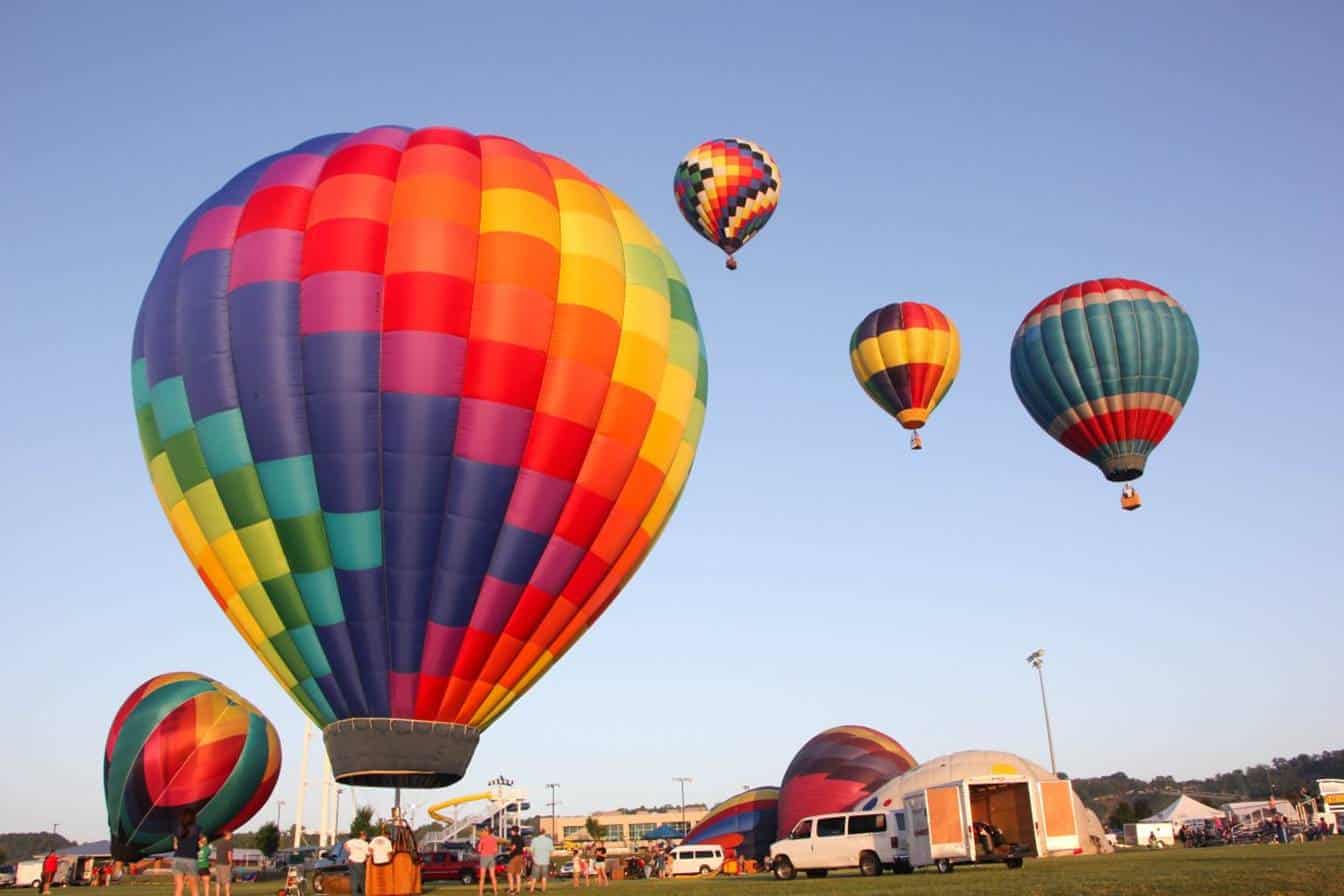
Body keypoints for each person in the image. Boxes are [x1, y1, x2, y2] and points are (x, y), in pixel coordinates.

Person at [172, 809, 202, 896]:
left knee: (179, 887)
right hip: (191, 859)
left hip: (177, 858)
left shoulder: (177, 828)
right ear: (193, 818)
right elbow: (202, 843)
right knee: (194, 888)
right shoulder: (197, 828)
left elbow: (175, 846)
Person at [343, 830, 370, 896]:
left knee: (354, 879)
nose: (366, 837)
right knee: (362, 879)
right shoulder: (365, 844)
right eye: (366, 836)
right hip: (359, 863)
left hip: (351, 862)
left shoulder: (353, 841)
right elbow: (368, 854)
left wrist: (349, 851)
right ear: (364, 836)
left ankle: (355, 894)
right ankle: (363, 894)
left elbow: (345, 845)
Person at [475, 826, 499, 896]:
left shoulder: (483, 839)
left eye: (485, 831)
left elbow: (479, 850)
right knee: (493, 876)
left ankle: (480, 893)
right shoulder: (494, 839)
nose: (484, 832)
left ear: (487, 832)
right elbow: (495, 850)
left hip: (484, 857)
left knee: (482, 877)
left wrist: (483, 850)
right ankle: (495, 892)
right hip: (491, 857)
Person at [505, 826, 526, 895]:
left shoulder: (513, 838)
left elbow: (513, 847)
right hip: (520, 856)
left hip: (514, 857)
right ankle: (517, 891)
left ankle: (511, 890)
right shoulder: (521, 838)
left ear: (514, 831)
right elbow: (523, 848)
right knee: (518, 874)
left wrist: (508, 851)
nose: (510, 832)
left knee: (509, 873)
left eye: (511, 830)